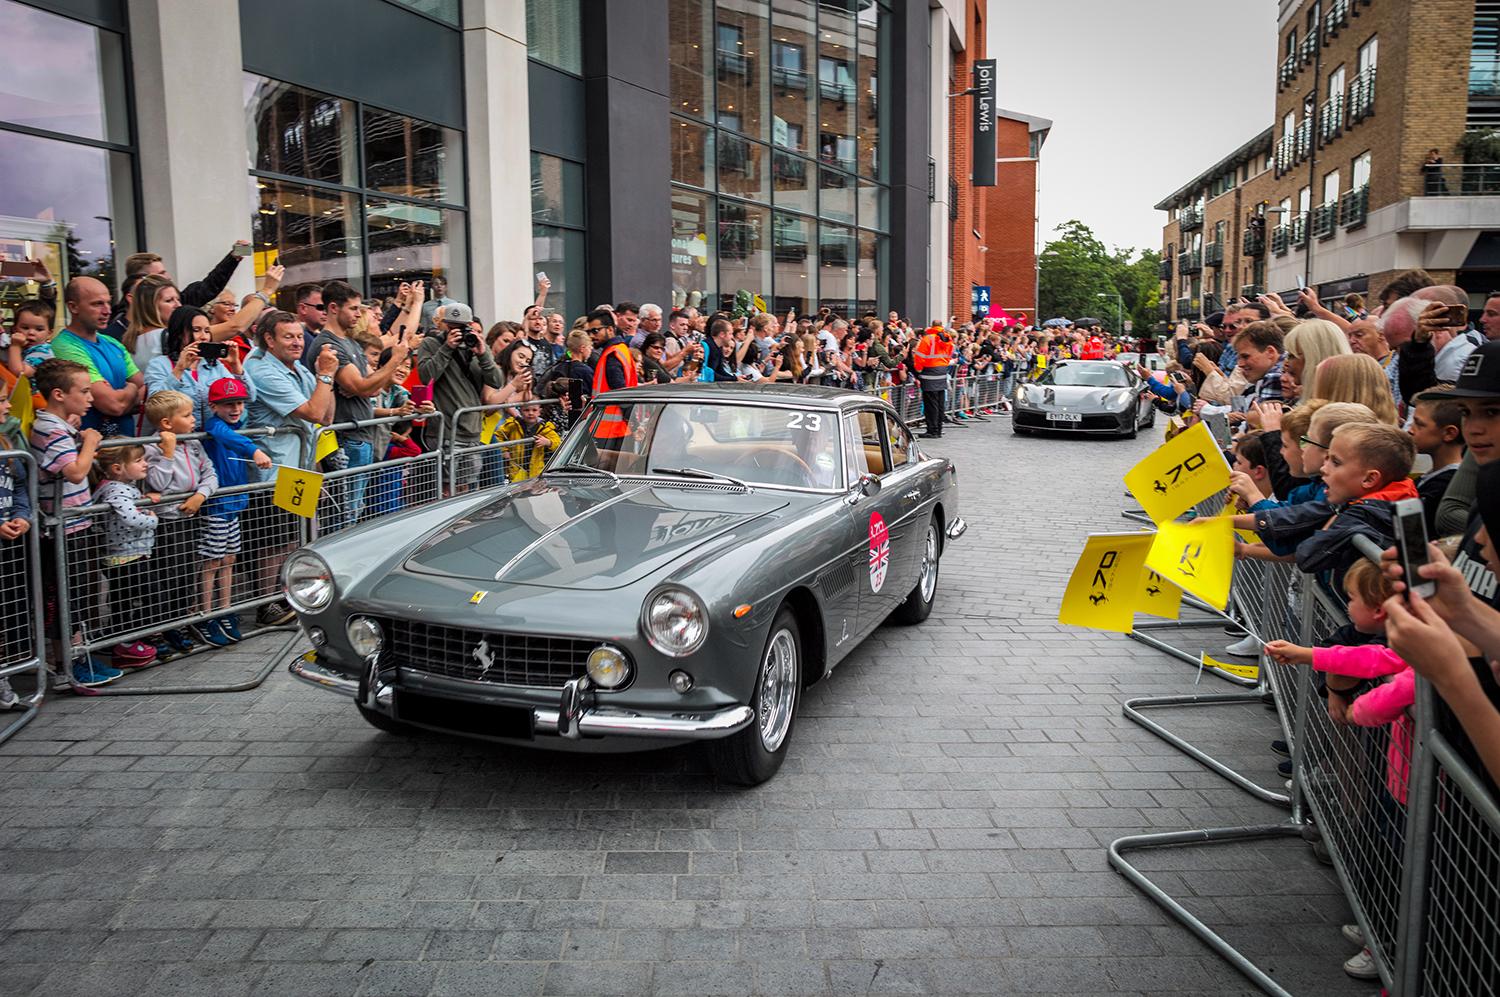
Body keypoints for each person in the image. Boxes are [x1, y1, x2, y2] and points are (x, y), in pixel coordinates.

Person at [242, 311, 338, 627]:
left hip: (301, 467)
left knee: (293, 536)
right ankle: (266, 604)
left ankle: (288, 596)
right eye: (289, 337)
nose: (298, 342)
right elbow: (312, 411)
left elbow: (326, 417)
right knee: (273, 539)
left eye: (299, 336)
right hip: (274, 470)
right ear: (269, 339)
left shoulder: (296, 368)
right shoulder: (261, 369)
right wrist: (324, 375)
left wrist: (328, 377)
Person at [306, 280, 420, 528]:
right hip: (346, 439)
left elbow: (372, 387)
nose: (359, 314)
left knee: (354, 509)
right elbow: (361, 387)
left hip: (362, 436)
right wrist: (395, 361)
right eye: (354, 308)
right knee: (344, 514)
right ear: (334, 308)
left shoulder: (350, 341)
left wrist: (363, 386)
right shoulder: (330, 344)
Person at [29, 359, 112, 687]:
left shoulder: (59, 426)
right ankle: (66, 662)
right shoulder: (48, 428)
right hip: (62, 527)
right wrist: (90, 442)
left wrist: (80, 434)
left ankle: (77, 656)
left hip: (77, 523)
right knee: (66, 597)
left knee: (81, 592)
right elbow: (75, 471)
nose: (91, 397)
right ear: (60, 394)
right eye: (85, 391)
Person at [195, 378, 271, 647]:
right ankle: (206, 613)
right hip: (217, 505)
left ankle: (225, 609)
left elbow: (238, 429)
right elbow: (229, 438)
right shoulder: (215, 426)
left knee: (228, 559)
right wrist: (254, 450)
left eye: (239, 403)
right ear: (214, 406)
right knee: (212, 561)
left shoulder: (237, 424)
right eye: (228, 404)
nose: (236, 408)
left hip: (235, 503)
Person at [143, 390, 217, 657]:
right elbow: (158, 484)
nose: (194, 420)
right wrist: (168, 453)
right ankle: (160, 626)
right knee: (166, 575)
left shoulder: (194, 443)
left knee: (187, 573)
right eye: (187, 416)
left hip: (190, 516)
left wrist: (201, 494)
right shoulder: (152, 447)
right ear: (166, 423)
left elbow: (209, 472)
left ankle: (179, 622)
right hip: (166, 521)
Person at [417, 301, 505, 485]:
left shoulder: (476, 345)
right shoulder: (431, 344)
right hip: (446, 432)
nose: (456, 331)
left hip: (473, 432)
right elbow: (426, 377)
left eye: (462, 327)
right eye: (451, 327)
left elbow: (497, 381)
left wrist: (483, 354)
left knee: (466, 488)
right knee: (445, 489)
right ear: (443, 325)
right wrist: (447, 348)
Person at [90, 445, 160, 671]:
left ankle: (122, 641)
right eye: (139, 460)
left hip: (125, 555)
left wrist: (143, 499)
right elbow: (130, 517)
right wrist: (152, 519)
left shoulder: (117, 487)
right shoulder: (116, 490)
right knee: (145, 595)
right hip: (126, 557)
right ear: (118, 468)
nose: (145, 464)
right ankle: (128, 641)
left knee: (123, 599)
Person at [50, 277, 145, 438]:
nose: (107, 310)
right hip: (90, 450)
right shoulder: (65, 345)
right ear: (73, 307)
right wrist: (132, 389)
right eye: (97, 304)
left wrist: (126, 397)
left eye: (108, 302)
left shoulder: (112, 343)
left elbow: (145, 391)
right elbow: (113, 404)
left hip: (126, 449)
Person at [146, 306, 255, 429]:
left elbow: (250, 397)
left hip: (212, 440)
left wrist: (235, 365)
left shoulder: (214, 365)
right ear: (180, 333)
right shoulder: (159, 364)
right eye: (197, 330)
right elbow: (155, 408)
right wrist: (179, 369)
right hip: (179, 441)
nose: (204, 337)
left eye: (207, 331)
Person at [0, 389, 33, 708]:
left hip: (11, 540)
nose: (9, 406)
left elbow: (20, 484)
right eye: (1, 400)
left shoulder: (8, 442)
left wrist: (23, 516)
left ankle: (5, 683)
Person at [1408, 395, 1465, 536]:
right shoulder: (1431, 476)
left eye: (1419, 424)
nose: (1410, 430)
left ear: (1449, 433)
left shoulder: (1446, 486)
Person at [587, 307, 637, 450]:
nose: (591, 336)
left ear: (609, 329)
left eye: (595, 331)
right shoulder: (621, 350)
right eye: (589, 332)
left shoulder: (612, 355)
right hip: (619, 427)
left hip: (609, 431)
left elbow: (621, 393)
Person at [496, 401, 562, 482]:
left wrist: (548, 442)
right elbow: (498, 435)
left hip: (536, 471)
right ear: (520, 411)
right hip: (515, 469)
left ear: (539, 412)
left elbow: (558, 443)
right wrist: (504, 450)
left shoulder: (544, 427)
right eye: (526, 410)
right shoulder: (512, 425)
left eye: (534, 410)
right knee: (516, 491)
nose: (530, 413)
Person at [913, 323, 955, 439]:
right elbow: (949, 354)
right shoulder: (947, 338)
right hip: (942, 372)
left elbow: (919, 357)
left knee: (930, 404)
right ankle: (938, 429)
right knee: (939, 403)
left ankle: (932, 430)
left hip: (929, 373)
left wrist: (918, 370)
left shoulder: (927, 339)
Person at [3, 300, 57, 378]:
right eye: (25, 328)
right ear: (14, 329)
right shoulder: (21, 348)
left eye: (39, 329)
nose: (31, 332)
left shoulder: (43, 353)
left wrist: (15, 346)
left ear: (49, 334)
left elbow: (20, 373)